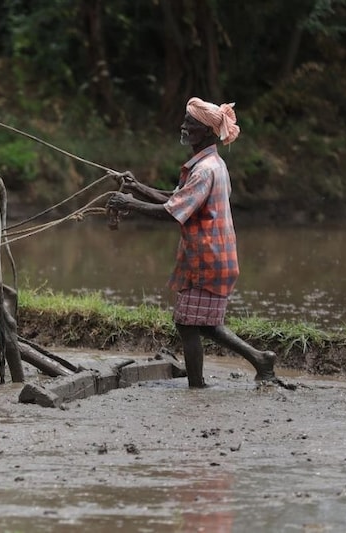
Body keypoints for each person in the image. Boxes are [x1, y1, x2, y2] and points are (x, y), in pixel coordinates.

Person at [105, 97, 276, 388]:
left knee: (187, 324)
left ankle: (197, 386)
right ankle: (260, 360)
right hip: (210, 256)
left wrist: (129, 203)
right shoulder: (207, 165)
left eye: (191, 124)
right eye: (185, 122)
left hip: (207, 259)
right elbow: (177, 200)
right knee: (203, 324)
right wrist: (137, 188)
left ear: (207, 132)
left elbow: (173, 212)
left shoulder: (204, 170)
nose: (184, 127)